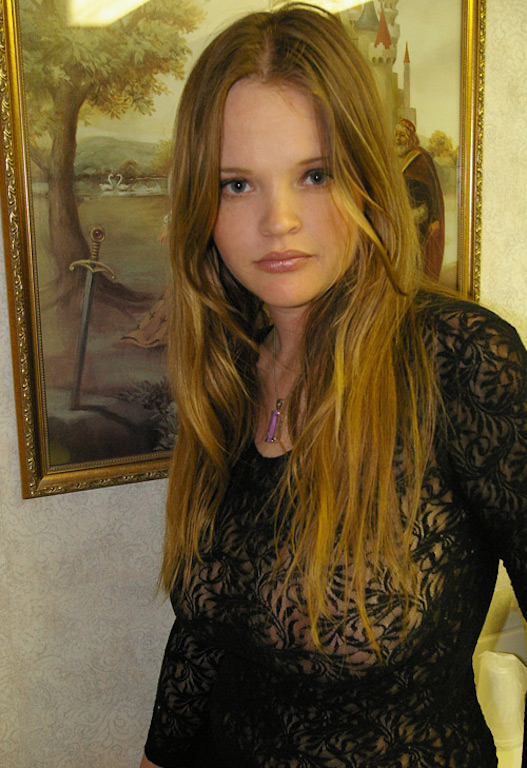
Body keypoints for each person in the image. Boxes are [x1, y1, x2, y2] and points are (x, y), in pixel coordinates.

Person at [140, 5, 526, 767]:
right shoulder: (227, 367)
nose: (278, 221)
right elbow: (204, 636)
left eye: (313, 175)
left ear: (364, 178)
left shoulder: (458, 359)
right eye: (236, 184)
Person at [394, 118, 445, 280]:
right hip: (400, 214)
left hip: (419, 216)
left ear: (411, 138)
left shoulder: (421, 158)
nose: (397, 139)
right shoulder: (394, 157)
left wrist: (435, 218)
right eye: (396, 135)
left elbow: (434, 191)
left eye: (402, 135)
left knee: (416, 253)